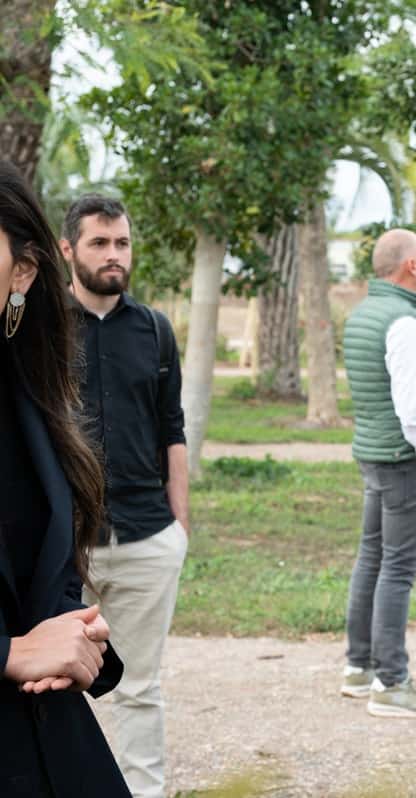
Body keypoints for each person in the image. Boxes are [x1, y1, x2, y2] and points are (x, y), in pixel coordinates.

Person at [0, 161, 130, 796]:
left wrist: (74, 635)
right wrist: (8, 652)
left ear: (22, 272)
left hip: (45, 739)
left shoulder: (30, 401)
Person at [62, 195, 188, 798]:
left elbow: (172, 430)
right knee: (55, 683)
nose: (114, 255)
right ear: (67, 249)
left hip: (146, 539)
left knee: (139, 687)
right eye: (99, 243)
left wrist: (179, 525)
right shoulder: (39, 329)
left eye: (122, 243)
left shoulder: (155, 331)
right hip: (63, 545)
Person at [341, 229, 416, 719]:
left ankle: (358, 667)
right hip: (408, 462)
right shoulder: (405, 322)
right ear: (411, 266)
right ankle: (391, 683)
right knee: (398, 569)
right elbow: (413, 409)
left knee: (371, 559)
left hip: (374, 455)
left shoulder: (364, 313)